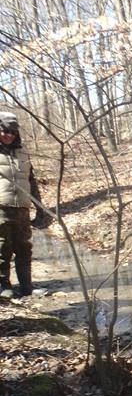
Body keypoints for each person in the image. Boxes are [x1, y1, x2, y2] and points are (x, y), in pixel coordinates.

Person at [0, 111, 49, 299]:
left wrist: (39, 207)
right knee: (3, 247)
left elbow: (31, 180)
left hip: (22, 207)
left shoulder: (23, 152)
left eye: (12, 132)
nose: (8, 135)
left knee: (24, 248)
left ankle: (26, 287)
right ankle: (4, 286)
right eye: (4, 131)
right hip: (1, 207)